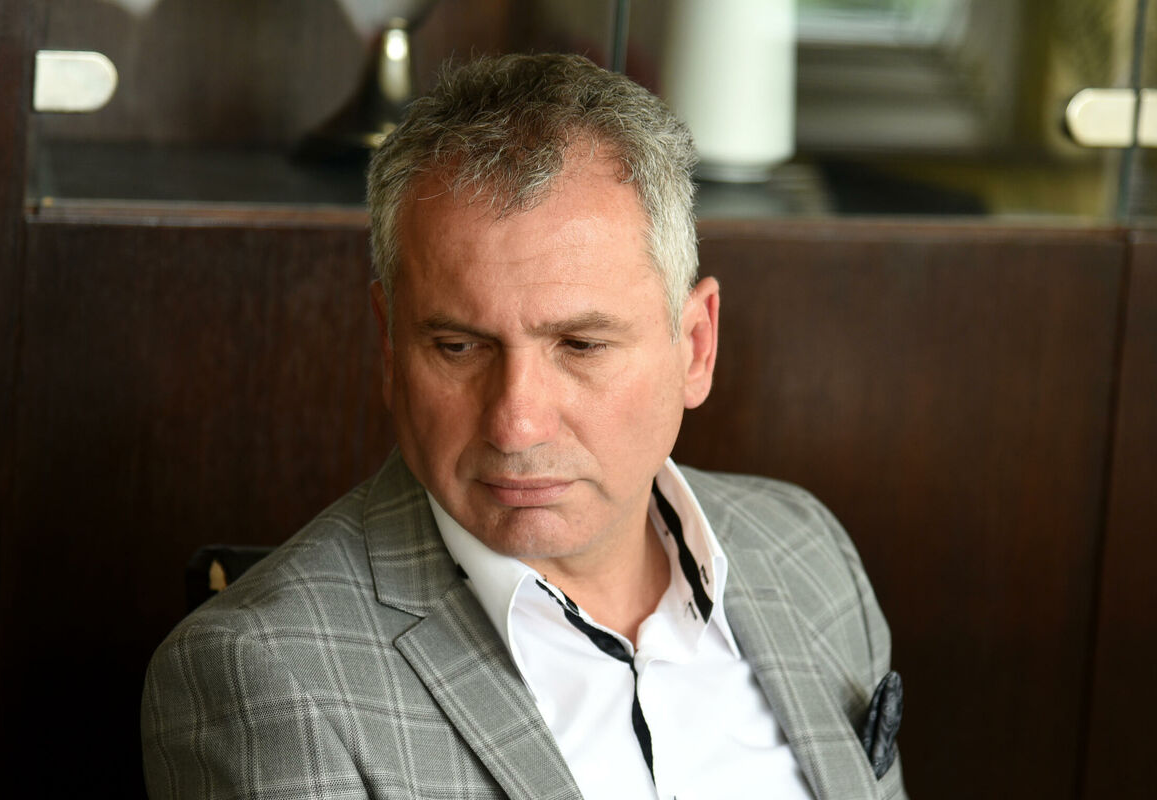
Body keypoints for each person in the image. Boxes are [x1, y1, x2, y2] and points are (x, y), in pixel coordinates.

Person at [141, 53, 904, 800]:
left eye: (581, 346)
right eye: (458, 347)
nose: (517, 424)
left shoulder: (808, 551)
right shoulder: (268, 678)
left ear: (695, 347)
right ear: (389, 347)